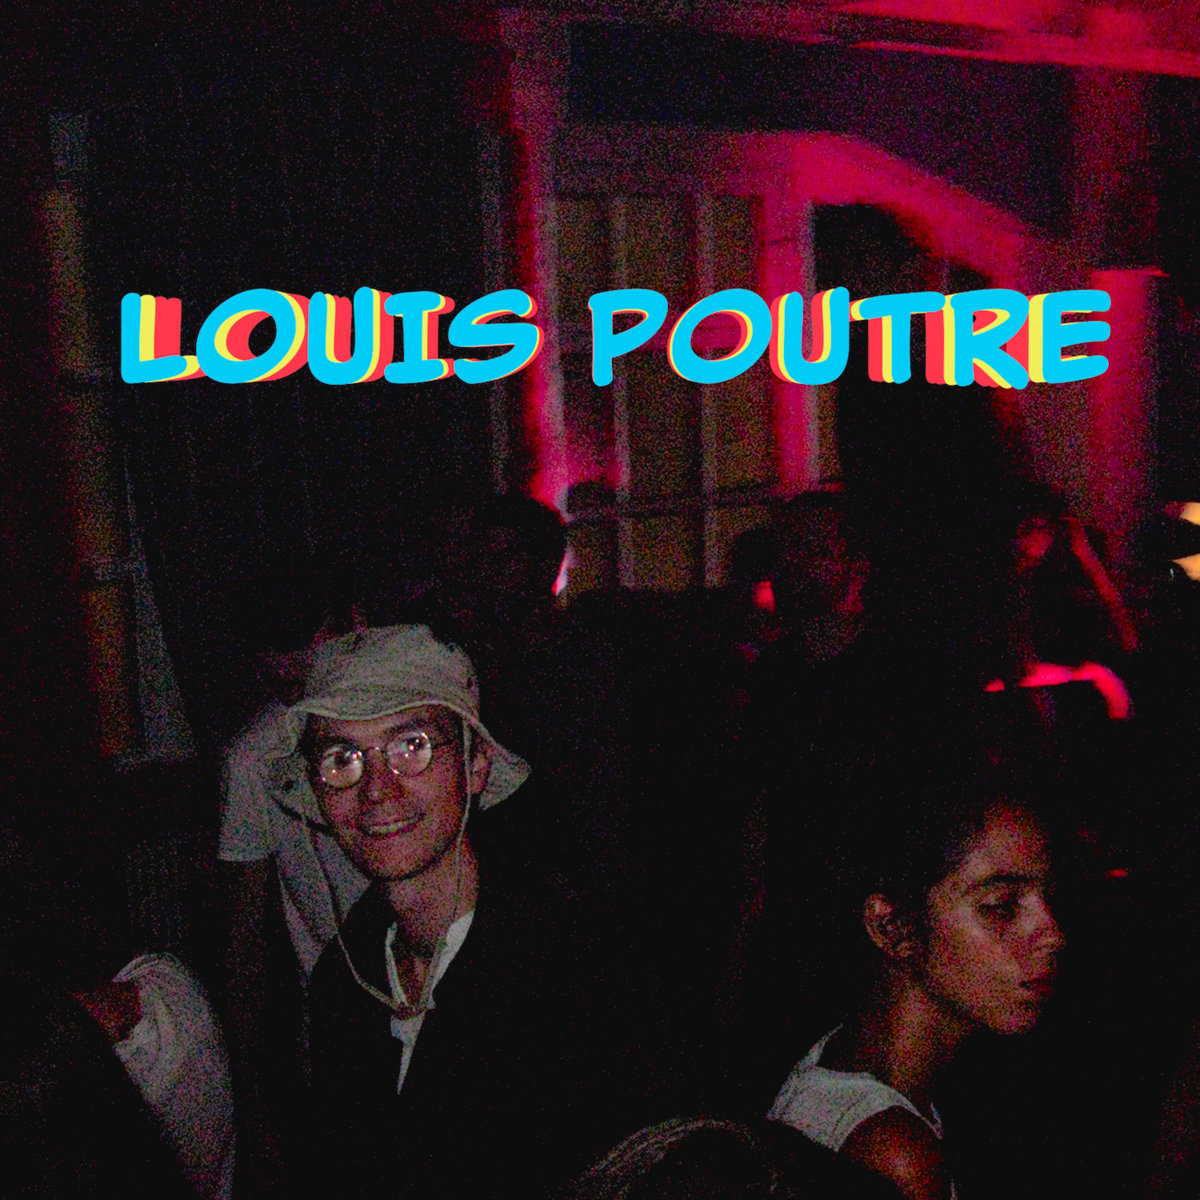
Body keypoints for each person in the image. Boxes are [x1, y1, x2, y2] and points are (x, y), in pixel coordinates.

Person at [275, 624, 687, 1198]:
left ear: (475, 767)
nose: (377, 791)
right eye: (342, 758)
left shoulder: (577, 970)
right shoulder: (342, 985)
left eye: (411, 747)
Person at [767, 777, 1065, 1200]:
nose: (1053, 935)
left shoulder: (838, 1062)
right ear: (892, 926)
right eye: (1002, 906)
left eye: (1050, 897)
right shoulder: (894, 1156)